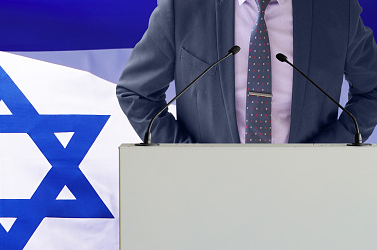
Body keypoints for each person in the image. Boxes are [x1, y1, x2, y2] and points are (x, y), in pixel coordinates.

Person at [116, 0, 377, 144]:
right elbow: (137, 92)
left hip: (306, 191)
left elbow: (372, 90)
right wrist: (185, 156)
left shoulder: (337, 9)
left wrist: (329, 152)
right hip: (206, 193)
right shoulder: (184, 6)